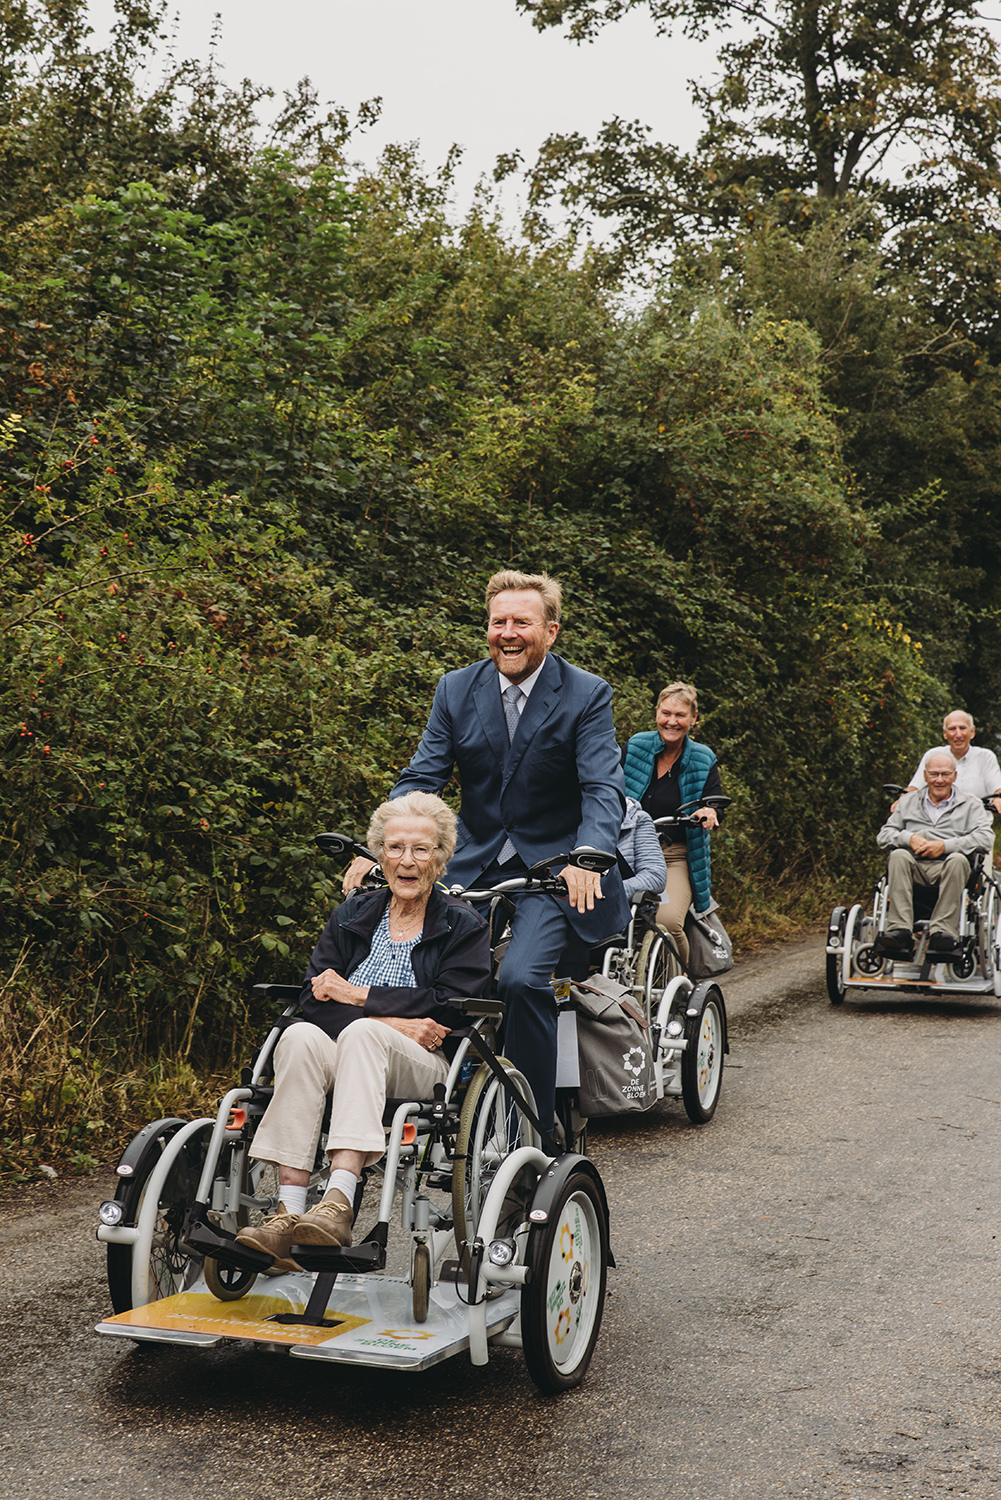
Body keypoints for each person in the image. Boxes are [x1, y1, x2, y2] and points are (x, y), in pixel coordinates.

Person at [344, 570, 629, 1134]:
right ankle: (439, 1096)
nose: (508, 633)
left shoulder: (587, 693)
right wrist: (383, 847)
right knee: (426, 970)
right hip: (472, 862)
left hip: (553, 869)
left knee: (521, 979)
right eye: (498, 622)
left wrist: (589, 854)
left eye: (521, 622)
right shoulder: (456, 688)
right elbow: (423, 777)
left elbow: (602, 787)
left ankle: (536, 1126)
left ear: (551, 630)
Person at [236, 791, 490, 1270]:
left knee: (360, 1035)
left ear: (441, 857)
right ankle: (289, 1212)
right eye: (395, 848)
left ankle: (338, 1201)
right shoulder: (351, 916)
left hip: (422, 1062)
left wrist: (357, 997)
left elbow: (448, 1005)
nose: (407, 861)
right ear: (379, 854)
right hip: (354, 1045)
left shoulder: (464, 925)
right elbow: (313, 999)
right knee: (299, 1036)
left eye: (421, 849)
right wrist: (388, 1018)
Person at [621, 682, 724, 970]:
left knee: (666, 922)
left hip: (674, 857)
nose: (671, 721)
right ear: (656, 713)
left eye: (680, 715)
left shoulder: (703, 758)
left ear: (693, 718)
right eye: (666, 713)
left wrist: (710, 812)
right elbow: (605, 786)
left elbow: (715, 804)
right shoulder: (636, 746)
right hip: (628, 850)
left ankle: (679, 985)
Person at [876, 751, 993, 952]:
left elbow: (986, 838)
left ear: (954, 776)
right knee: (898, 855)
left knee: (957, 859)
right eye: (934, 774)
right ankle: (900, 931)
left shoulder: (971, 803)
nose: (939, 780)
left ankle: (943, 933)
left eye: (945, 774)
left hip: (950, 868)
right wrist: (909, 838)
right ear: (925, 776)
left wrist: (945, 846)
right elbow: (884, 836)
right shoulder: (907, 802)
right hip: (914, 866)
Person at [904, 709, 1001, 813]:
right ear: (945, 734)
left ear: (972, 732)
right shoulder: (932, 756)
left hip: (975, 825)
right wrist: (902, 800)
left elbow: (997, 788)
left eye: (962, 728)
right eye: (952, 729)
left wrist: (998, 799)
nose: (958, 734)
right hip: (937, 824)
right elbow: (914, 788)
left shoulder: (985, 757)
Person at [618, 797, 668, 904]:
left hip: (615, 905)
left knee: (669, 918)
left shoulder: (638, 818)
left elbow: (656, 876)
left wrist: (608, 891)